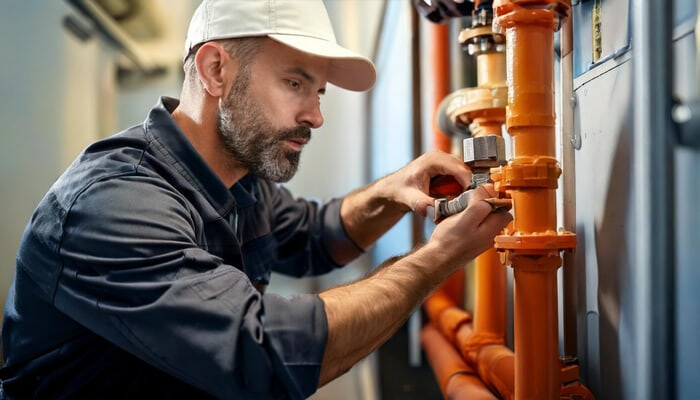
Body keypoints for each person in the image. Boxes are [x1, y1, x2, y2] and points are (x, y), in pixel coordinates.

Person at [0, 0, 512, 398]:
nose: (315, 116)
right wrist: (438, 258)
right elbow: (263, 354)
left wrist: (392, 191)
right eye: (295, 83)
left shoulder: (241, 180)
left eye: (319, 94)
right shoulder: (111, 204)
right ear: (216, 70)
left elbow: (316, 236)